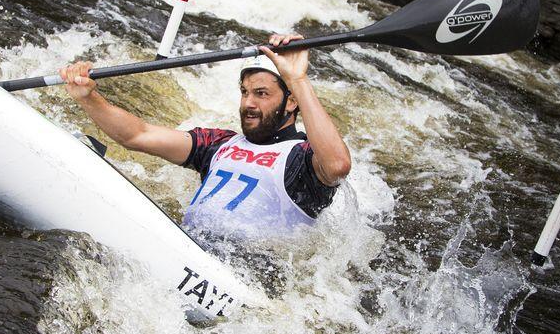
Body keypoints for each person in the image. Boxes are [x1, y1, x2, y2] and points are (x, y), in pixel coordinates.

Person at [58, 34, 351, 242]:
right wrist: (89, 98)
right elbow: (138, 135)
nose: (248, 103)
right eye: (245, 92)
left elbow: (337, 165)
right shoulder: (219, 144)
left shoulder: (302, 160)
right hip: (188, 246)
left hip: (247, 274)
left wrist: (297, 81)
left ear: (290, 102)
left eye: (261, 94)